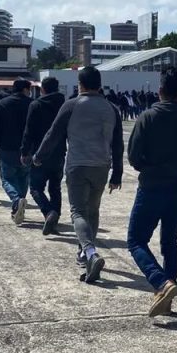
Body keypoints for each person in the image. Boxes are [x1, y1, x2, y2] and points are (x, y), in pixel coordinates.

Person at [127, 66, 177, 316]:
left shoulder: (147, 117)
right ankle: (166, 297)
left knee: (136, 240)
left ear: (159, 90)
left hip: (151, 186)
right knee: (169, 241)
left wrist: (151, 169)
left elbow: (134, 157)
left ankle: (160, 282)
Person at [34, 66, 123, 284]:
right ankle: (83, 253)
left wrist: (39, 156)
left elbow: (53, 134)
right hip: (102, 166)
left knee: (77, 212)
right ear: (99, 84)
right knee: (93, 210)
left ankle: (91, 253)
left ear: (79, 84)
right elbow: (118, 144)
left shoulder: (72, 105)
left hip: (77, 165)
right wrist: (117, 174)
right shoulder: (111, 108)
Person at [21, 76, 66, 235]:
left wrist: (24, 151)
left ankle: (48, 213)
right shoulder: (64, 104)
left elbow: (29, 130)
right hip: (59, 152)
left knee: (35, 187)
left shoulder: (36, 104)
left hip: (39, 153)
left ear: (42, 89)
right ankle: (55, 217)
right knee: (55, 187)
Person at [0, 79, 32, 223]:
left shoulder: (2, 104)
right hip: (27, 148)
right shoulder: (32, 103)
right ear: (26, 89)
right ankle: (19, 204)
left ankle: (16, 201)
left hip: (7, 147)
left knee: (7, 179)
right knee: (23, 177)